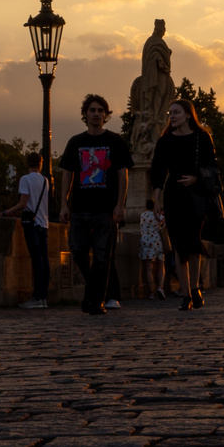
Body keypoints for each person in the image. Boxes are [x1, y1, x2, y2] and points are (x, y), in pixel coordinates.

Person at [58, 93, 133, 316]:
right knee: (78, 250)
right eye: (92, 110)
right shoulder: (76, 142)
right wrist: (63, 204)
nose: (97, 114)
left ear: (106, 115)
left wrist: (120, 204)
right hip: (80, 207)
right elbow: (67, 174)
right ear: (85, 114)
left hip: (106, 208)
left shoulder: (115, 141)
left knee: (102, 256)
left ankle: (97, 301)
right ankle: (93, 290)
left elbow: (122, 174)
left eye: (101, 111)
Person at [150, 98, 216, 312]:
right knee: (179, 246)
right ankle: (186, 294)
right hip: (174, 195)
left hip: (195, 194)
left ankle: (195, 287)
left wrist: (196, 179)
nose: (172, 116)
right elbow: (158, 173)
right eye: (170, 113)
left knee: (193, 242)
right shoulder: (165, 141)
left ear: (189, 115)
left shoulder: (202, 137)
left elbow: (212, 167)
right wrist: (157, 200)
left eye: (176, 112)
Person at [2, 152, 51, 309]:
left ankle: (37, 297)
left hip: (32, 224)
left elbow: (23, 204)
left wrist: (4, 213)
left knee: (37, 261)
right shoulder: (45, 181)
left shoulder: (25, 179)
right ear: (40, 163)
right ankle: (43, 297)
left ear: (27, 164)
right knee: (44, 261)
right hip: (44, 223)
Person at [140, 196, 167, 299]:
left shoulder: (142, 215)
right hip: (156, 242)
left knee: (148, 268)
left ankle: (151, 292)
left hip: (145, 241)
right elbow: (165, 221)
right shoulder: (157, 215)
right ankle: (160, 287)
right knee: (160, 265)